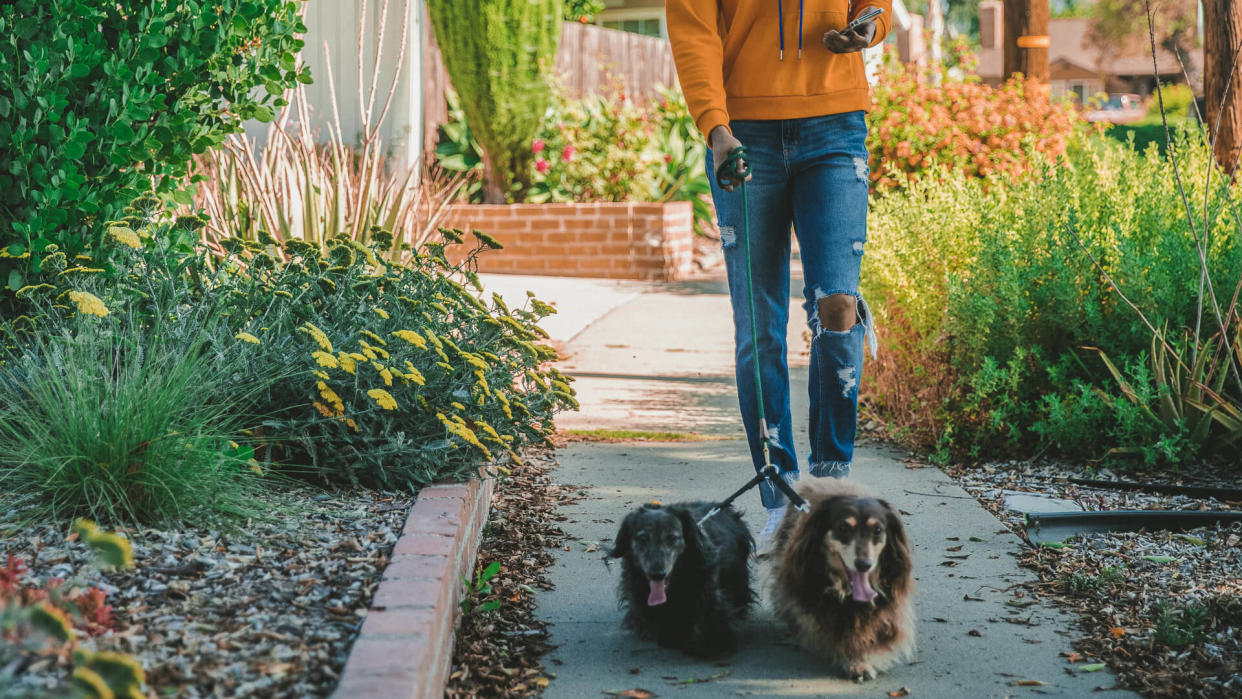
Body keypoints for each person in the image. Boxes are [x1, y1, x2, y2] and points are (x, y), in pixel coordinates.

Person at [665, 0, 889, 553]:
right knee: (760, 326)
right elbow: (695, 34)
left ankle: (830, 485)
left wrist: (868, 28)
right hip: (744, 137)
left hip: (836, 126)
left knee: (837, 303)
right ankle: (780, 497)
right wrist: (715, 128)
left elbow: (874, 5)